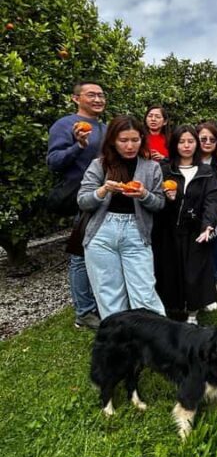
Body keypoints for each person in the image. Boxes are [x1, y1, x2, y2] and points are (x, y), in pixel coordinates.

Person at [77, 115, 166, 319]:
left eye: (135, 140)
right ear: (113, 141)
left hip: (136, 232)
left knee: (144, 293)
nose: (130, 146)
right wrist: (103, 190)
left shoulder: (151, 167)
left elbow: (159, 204)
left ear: (142, 139)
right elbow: (83, 201)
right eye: (123, 140)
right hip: (102, 232)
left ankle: (154, 335)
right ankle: (119, 336)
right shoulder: (99, 165)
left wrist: (144, 195)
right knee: (109, 294)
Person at [47, 80, 107, 330]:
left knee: (100, 253)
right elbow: (54, 161)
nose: (98, 99)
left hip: (105, 197)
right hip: (81, 200)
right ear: (76, 98)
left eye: (101, 95)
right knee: (80, 256)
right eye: (91, 95)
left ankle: (99, 302)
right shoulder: (65, 125)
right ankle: (84, 312)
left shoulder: (105, 128)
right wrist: (78, 146)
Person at [152, 126, 217, 324]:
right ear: (174, 144)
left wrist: (208, 224)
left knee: (194, 272)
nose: (186, 145)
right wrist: (169, 199)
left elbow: (212, 200)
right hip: (168, 231)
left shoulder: (206, 171)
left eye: (190, 141)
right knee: (169, 271)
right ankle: (171, 308)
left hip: (194, 230)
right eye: (182, 141)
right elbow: (154, 201)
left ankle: (192, 313)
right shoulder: (165, 170)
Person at [197, 121, 217, 284]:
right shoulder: (189, 159)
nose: (208, 142)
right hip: (193, 209)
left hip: (212, 209)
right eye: (203, 139)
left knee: (214, 242)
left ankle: (216, 277)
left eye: (212, 139)